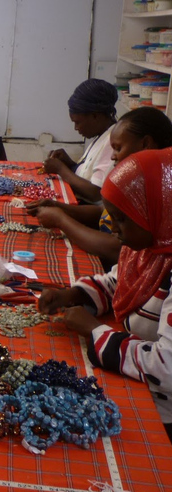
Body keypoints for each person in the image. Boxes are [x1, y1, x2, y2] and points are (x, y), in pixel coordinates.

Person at [38, 148, 172, 443]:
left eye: (123, 219)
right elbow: (118, 283)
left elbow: (167, 368)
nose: (113, 228)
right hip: (135, 373)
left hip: (162, 410)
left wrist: (95, 331)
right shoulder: (150, 251)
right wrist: (72, 294)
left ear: (159, 212)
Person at [27, 107, 172, 269]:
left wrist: (61, 220)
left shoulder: (157, 192)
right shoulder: (136, 183)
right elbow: (104, 213)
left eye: (118, 148)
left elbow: (116, 248)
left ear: (146, 143)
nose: (112, 156)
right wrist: (59, 207)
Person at [43, 78, 118, 204]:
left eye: (78, 122)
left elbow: (95, 192)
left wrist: (61, 169)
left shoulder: (112, 141)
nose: (76, 128)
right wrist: (70, 165)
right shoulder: (101, 135)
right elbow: (89, 175)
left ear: (95, 115)